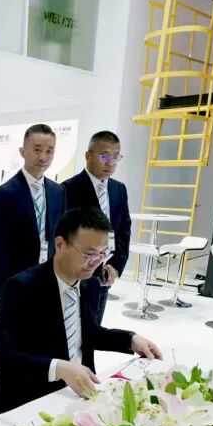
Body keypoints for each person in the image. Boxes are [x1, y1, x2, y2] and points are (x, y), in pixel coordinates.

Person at [0, 208, 162, 420]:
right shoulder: (21, 288)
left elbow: (88, 333)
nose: (96, 262)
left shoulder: (89, 284)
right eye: (89, 254)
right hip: (29, 400)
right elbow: (3, 357)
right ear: (60, 245)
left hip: (80, 397)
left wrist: (130, 339)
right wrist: (60, 368)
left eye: (103, 254)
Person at [0, 124, 67, 297]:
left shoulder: (58, 191)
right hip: (15, 281)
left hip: (49, 277)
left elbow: (62, 235)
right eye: (37, 150)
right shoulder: (4, 193)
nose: (43, 157)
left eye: (49, 151)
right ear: (23, 152)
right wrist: (1, 289)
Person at [62, 131, 131, 324]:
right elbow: (65, 234)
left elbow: (124, 229)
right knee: (72, 326)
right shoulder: (69, 188)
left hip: (106, 271)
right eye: (105, 156)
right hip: (77, 272)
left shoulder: (118, 189)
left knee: (94, 326)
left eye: (116, 157)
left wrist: (116, 265)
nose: (110, 163)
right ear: (88, 156)